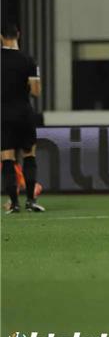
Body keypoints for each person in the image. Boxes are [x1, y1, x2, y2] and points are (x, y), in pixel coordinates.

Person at [2, 23, 44, 213]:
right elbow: (36, 91)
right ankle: (31, 201)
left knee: (7, 158)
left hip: (4, 114)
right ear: (18, 35)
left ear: (1, 37)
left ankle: (14, 203)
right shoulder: (29, 60)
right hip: (24, 113)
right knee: (29, 155)